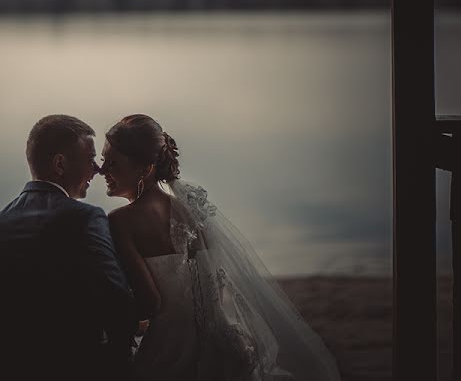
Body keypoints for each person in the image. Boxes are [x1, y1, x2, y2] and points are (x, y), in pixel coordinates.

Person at [103, 114, 342, 381]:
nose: (102, 170)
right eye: (103, 161)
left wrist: (106, 318)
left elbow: (150, 304)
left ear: (145, 169)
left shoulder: (120, 221)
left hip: (170, 353)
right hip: (224, 344)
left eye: (111, 162)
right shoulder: (193, 210)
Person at [0, 114, 136, 381]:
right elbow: (118, 305)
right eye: (90, 159)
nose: (97, 170)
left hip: (3, 368)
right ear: (60, 164)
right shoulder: (85, 218)